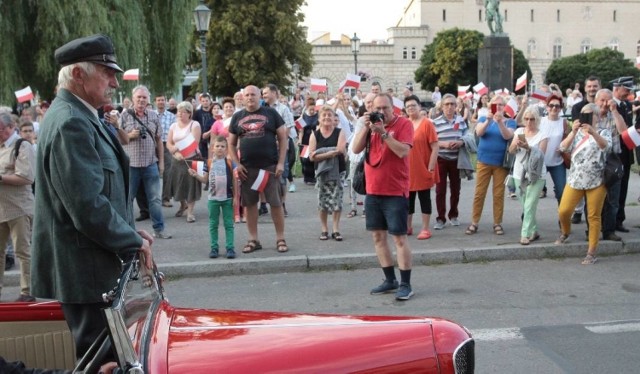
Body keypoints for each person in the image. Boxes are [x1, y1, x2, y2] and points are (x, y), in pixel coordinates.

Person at [31, 34, 153, 362]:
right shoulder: (71, 121)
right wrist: (131, 239)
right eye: (106, 72)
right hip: (87, 274)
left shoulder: (80, 115)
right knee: (105, 365)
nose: (114, 82)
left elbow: (99, 195)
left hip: (92, 270)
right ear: (78, 75)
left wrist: (129, 229)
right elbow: (87, 206)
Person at [351, 93, 415, 301]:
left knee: (399, 238)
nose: (382, 112)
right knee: (378, 237)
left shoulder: (403, 124)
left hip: (395, 190)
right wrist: (366, 127)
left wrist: (384, 133)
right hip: (373, 190)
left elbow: (403, 151)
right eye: (377, 108)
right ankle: (390, 279)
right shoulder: (371, 126)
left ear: (393, 108)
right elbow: (355, 148)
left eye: (386, 108)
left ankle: (405, 283)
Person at [228, 85, 289, 254]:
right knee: (250, 204)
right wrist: (236, 164)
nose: (250, 97)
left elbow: (283, 139)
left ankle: (280, 238)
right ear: (242, 97)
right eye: (246, 95)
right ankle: (253, 239)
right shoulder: (237, 117)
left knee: (275, 203)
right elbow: (231, 143)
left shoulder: (271, 114)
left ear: (259, 96)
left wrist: (281, 163)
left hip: (270, 167)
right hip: (247, 169)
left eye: (253, 94)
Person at [555, 103, 611, 265]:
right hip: (575, 179)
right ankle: (566, 232)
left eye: (589, 114)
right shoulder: (577, 133)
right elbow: (562, 147)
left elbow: (606, 148)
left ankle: (591, 252)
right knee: (564, 211)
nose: (586, 117)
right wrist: (573, 132)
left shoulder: (603, 132)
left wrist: (593, 133)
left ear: (597, 116)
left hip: (597, 181)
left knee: (593, 216)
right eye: (583, 114)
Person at [121, 85, 172, 239]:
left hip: (150, 164)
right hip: (131, 166)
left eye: (144, 97)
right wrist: (130, 135)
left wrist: (161, 162)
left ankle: (159, 229)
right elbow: (118, 140)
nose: (141, 100)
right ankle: (127, 231)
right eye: (139, 97)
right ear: (133, 98)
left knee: (155, 199)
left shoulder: (153, 116)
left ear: (148, 100)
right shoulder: (124, 116)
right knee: (127, 200)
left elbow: (159, 140)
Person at [465, 95, 516, 236]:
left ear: (504, 107)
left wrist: (500, 122)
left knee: (498, 194)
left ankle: (497, 223)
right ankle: (474, 222)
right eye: (495, 104)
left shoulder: (509, 122)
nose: (498, 107)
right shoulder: (483, 118)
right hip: (484, 161)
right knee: (479, 193)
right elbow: (479, 132)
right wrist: (488, 120)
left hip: (500, 163)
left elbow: (508, 136)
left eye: (500, 104)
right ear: (490, 106)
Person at [0, 113, 36, 302]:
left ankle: (26, 291)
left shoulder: (22, 145)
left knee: (22, 250)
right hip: (2, 209)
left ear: (9, 128)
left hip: (19, 208)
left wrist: (1, 178)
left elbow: (27, 178)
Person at [189, 136, 236, 259]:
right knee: (213, 224)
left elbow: (235, 181)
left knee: (229, 224)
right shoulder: (208, 163)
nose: (220, 148)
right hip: (213, 199)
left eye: (222, 146)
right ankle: (214, 248)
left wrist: (236, 197)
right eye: (217, 146)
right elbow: (205, 180)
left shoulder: (230, 163)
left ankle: (230, 247)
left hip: (227, 198)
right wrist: (195, 175)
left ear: (226, 149)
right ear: (212, 148)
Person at [507, 107, 548, 245]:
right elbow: (511, 151)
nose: (529, 122)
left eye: (532, 119)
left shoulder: (542, 135)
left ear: (537, 120)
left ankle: (524, 234)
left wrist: (528, 147)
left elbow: (541, 155)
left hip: (536, 175)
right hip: (519, 173)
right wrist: (516, 145)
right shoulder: (519, 132)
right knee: (525, 205)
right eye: (526, 119)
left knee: (530, 204)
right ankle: (534, 231)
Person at [309, 106, 347, 241]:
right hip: (321, 173)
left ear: (334, 118)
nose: (327, 118)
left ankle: (336, 229)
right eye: (324, 115)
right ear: (319, 118)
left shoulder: (340, 132)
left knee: (337, 200)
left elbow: (340, 150)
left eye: (329, 115)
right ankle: (324, 229)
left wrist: (321, 153)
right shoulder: (315, 134)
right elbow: (311, 156)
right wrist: (330, 153)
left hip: (338, 171)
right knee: (322, 200)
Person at [433, 94, 467, 230]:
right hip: (441, 159)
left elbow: (467, 136)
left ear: (456, 106)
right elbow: (432, 141)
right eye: (446, 104)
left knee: (455, 189)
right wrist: (443, 144)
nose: (449, 107)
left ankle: (453, 215)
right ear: (442, 106)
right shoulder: (435, 122)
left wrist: (460, 142)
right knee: (440, 190)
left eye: (452, 104)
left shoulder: (461, 121)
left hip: (456, 160)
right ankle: (440, 218)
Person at [570, 76, 601, 224]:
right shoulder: (577, 107)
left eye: (595, 86)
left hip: (599, 149)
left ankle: (595, 222)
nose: (592, 89)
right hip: (582, 147)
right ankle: (578, 211)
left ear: (599, 87)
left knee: (596, 190)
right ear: (585, 88)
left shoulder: (602, 105)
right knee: (579, 183)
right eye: (589, 86)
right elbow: (577, 127)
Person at [166, 101, 202, 223]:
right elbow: (169, 142)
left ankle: (190, 212)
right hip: (177, 159)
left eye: (183, 112)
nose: (180, 114)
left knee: (191, 185)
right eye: (178, 112)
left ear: (189, 113)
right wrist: (174, 151)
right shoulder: (173, 126)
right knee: (177, 184)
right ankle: (183, 205)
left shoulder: (195, 124)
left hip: (192, 158)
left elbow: (194, 142)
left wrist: (179, 150)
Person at [610, 77, 635, 233]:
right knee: (612, 189)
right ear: (617, 88)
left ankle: (619, 219)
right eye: (626, 90)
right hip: (613, 154)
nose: (628, 93)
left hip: (625, 153)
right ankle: (610, 221)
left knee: (623, 188)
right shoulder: (610, 105)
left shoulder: (625, 105)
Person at [347, 93, 375, 217]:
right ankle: (353, 207)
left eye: (372, 101)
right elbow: (358, 139)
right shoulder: (362, 120)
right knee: (355, 180)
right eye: (367, 102)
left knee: (369, 182)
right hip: (358, 155)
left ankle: (366, 208)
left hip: (373, 155)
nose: (370, 104)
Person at [155, 94, 176, 207]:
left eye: (163, 100)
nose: (161, 102)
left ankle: (166, 198)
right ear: (155, 102)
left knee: (168, 172)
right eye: (159, 100)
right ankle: (153, 199)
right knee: (153, 171)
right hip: (153, 145)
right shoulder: (151, 115)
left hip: (167, 145)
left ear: (166, 102)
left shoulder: (171, 116)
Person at [299, 97, 319, 185]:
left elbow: (318, 128)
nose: (312, 111)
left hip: (314, 139)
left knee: (312, 158)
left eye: (313, 109)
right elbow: (301, 130)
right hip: (305, 139)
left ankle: (313, 177)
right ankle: (306, 177)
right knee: (304, 159)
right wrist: (300, 140)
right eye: (310, 109)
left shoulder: (318, 116)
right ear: (307, 108)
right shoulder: (303, 116)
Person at [193, 93, 214, 160]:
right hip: (201, 140)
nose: (205, 102)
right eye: (203, 101)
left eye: (207, 101)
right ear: (200, 102)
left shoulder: (213, 112)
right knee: (203, 158)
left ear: (210, 101)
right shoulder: (197, 113)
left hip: (213, 138)